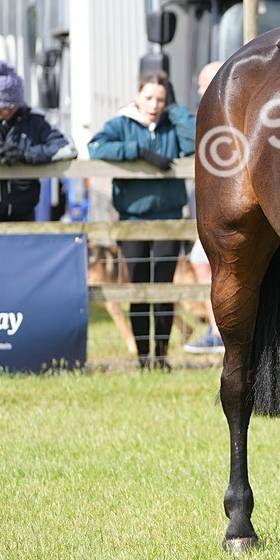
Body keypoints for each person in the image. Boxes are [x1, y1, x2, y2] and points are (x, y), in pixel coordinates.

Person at [88, 71, 196, 369]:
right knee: (137, 287)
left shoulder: (172, 125)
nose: (154, 104)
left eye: (161, 99)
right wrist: (139, 152)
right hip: (132, 218)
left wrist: (175, 110)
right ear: (137, 96)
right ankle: (142, 357)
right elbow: (96, 147)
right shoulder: (122, 123)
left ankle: (161, 357)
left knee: (162, 287)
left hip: (169, 218)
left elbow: (195, 140)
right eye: (149, 97)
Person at [0, 60, 77, 221]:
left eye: (9, 107)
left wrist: (26, 155)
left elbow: (67, 148)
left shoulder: (35, 121)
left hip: (24, 215)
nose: (3, 112)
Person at [183, 61, 225, 354]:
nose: (199, 90)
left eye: (204, 83)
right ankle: (216, 327)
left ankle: (221, 329)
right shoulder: (207, 113)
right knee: (200, 262)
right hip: (212, 206)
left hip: (226, 207)